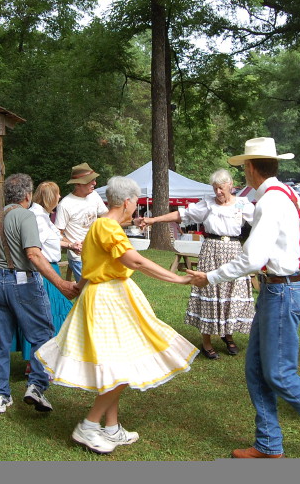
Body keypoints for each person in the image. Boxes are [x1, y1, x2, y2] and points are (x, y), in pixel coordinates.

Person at [187, 137, 300, 459]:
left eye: (243, 169)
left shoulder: (268, 201)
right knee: (255, 369)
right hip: (282, 288)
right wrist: (294, 265)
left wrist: (208, 276)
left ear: (251, 168)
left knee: (279, 373)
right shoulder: (290, 194)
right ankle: (268, 444)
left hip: (280, 290)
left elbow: (251, 259)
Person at [36, 176, 196, 455]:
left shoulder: (101, 226)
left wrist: (78, 286)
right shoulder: (108, 227)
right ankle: (89, 425)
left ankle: (110, 427)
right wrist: (179, 279)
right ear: (127, 202)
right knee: (119, 366)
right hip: (108, 300)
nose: (136, 206)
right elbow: (134, 260)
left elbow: (90, 265)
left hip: (111, 296)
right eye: (135, 201)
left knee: (120, 362)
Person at [0, 173, 81, 415]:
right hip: (22, 282)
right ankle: (37, 385)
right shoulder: (26, 216)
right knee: (43, 334)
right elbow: (33, 254)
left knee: (1, 340)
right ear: (28, 195)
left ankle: (0, 395)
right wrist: (60, 283)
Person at [139, 168, 255, 359]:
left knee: (231, 293)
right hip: (212, 249)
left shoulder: (243, 204)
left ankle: (227, 334)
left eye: (221, 188)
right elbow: (180, 216)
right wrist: (153, 219)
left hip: (234, 251)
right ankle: (207, 340)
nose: (217, 192)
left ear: (230, 186)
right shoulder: (207, 204)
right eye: (214, 188)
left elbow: (260, 221)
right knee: (208, 291)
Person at [12, 182, 77, 372]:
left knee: (56, 314)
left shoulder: (44, 217)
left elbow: (53, 238)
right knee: (47, 316)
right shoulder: (38, 218)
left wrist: (71, 245)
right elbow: (34, 248)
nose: (60, 197)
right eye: (57, 194)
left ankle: (47, 360)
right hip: (44, 272)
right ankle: (36, 363)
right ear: (50, 197)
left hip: (51, 268)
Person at [55, 162, 108, 281]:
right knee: (90, 291)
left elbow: (107, 218)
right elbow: (57, 233)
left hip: (98, 253)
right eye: (90, 180)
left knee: (102, 290)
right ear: (78, 183)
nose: (94, 183)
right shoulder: (65, 204)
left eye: (94, 180)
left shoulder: (94, 196)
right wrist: (73, 246)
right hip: (79, 259)